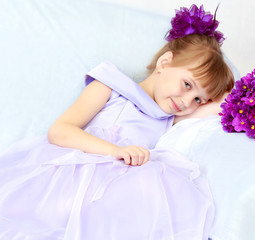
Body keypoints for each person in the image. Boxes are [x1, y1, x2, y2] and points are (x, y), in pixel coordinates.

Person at [0, 4, 234, 240]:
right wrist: (116, 150)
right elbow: (60, 131)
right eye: (187, 84)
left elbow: (227, 103)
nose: (186, 102)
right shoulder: (112, 87)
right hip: (75, 174)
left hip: (117, 193)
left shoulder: (171, 117)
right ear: (164, 63)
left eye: (198, 99)